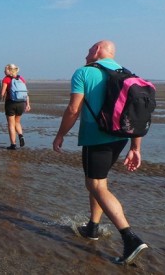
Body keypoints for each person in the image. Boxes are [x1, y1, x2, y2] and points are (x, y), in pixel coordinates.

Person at [53, 40, 148, 265]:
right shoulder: (127, 74)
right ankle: (93, 227)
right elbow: (137, 115)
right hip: (121, 139)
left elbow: (73, 109)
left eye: (88, 50)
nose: (85, 54)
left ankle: (130, 238)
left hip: (96, 138)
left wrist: (60, 135)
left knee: (95, 185)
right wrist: (136, 148)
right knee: (98, 182)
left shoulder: (84, 73)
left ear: (97, 51)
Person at [1, 64, 31, 150]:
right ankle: (21, 136)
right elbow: (26, 93)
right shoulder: (21, 78)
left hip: (11, 103)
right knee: (17, 122)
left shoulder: (6, 79)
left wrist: (0, 97)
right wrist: (28, 104)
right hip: (21, 103)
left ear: (10, 70)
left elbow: (2, 93)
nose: (4, 71)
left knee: (11, 124)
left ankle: (13, 144)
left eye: (5, 70)